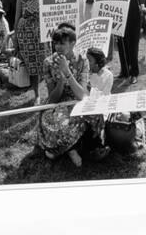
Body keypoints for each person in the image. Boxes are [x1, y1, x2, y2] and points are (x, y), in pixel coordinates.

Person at [37, 28, 106, 167]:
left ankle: (88, 148)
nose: (58, 47)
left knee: (93, 114)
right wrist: (61, 81)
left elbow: (81, 95)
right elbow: (52, 99)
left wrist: (67, 72)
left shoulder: (82, 60)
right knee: (54, 121)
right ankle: (70, 149)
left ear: (73, 43)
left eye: (62, 43)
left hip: (77, 99)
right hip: (59, 103)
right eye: (55, 43)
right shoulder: (48, 62)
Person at [13, 0, 51, 105]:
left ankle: (50, 92)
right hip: (26, 35)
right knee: (33, 67)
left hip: (42, 33)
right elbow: (16, 19)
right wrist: (16, 38)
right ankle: (37, 95)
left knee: (46, 63)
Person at [117, 0, 146, 84]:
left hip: (134, 14)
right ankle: (124, 70)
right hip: (121, 14)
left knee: (133, 44)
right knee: (121, 43)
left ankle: (134, 72)